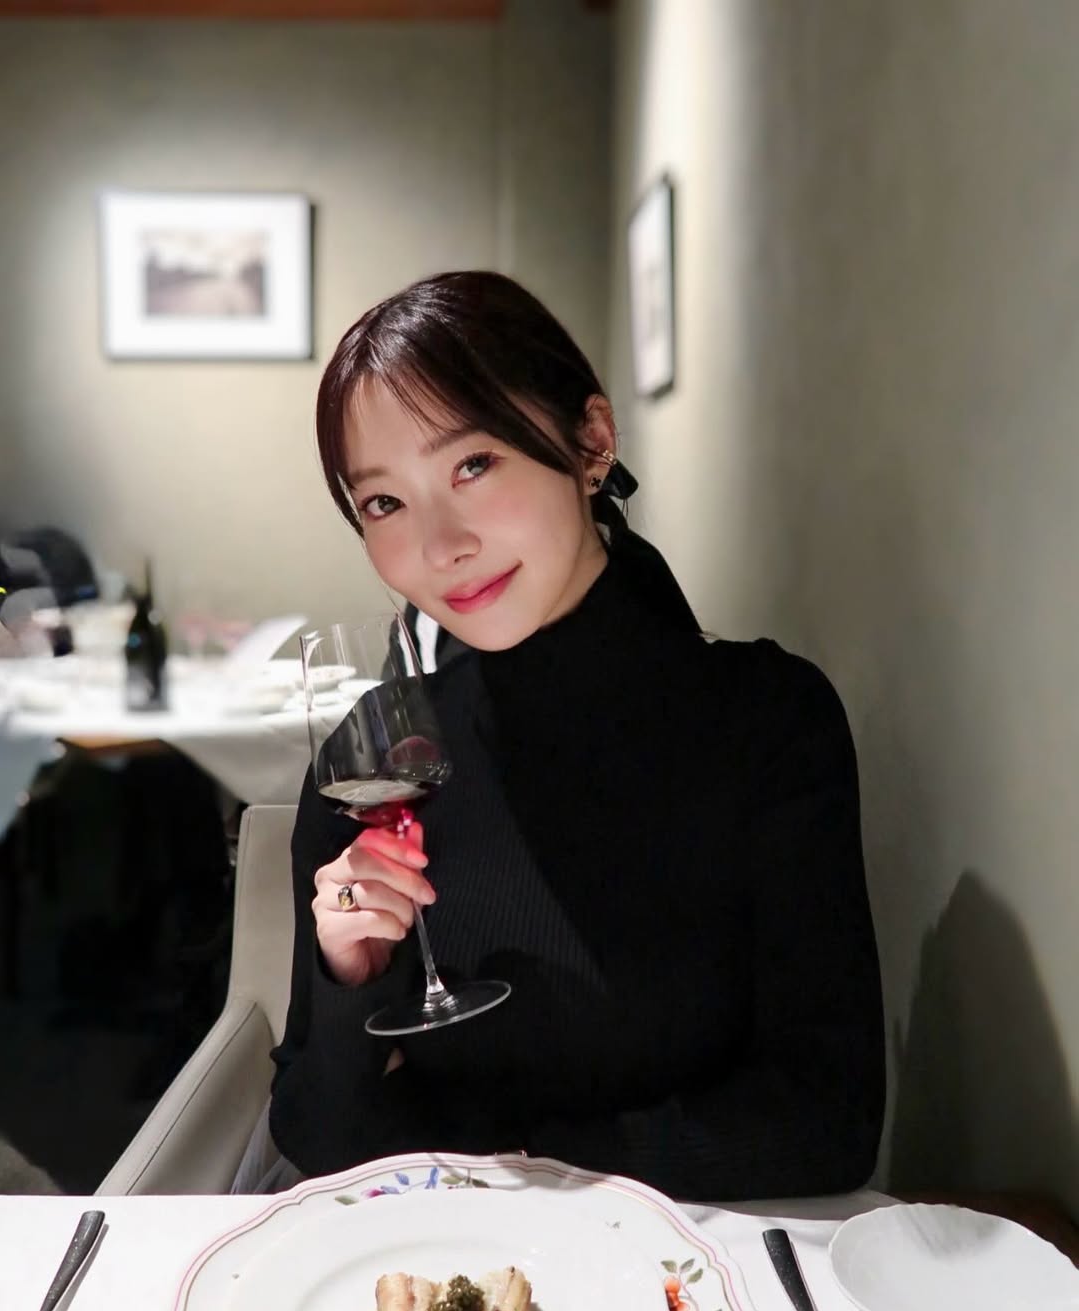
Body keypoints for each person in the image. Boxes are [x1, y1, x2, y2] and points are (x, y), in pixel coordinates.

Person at [267, 270, 885, 1202]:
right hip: (446, 1269)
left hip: (691, 1266)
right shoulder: (377, 755)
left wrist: (525, 1163)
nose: (440, 545)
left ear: (591, 441)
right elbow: (316, 1134)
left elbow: (827, 1120)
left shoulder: (767, 720)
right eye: (384, 503)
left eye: (473, 465)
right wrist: (351, 979)